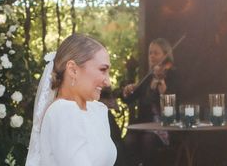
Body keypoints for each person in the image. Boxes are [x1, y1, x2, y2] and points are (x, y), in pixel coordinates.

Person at [25, 33, 116, 166]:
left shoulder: (97, 110)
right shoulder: (63, 111)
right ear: (73, 70)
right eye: (102, 70)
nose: (108, 82)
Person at [121, 38, 179, 166]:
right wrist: (127, 90)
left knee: (148, 140)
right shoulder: (148, 78)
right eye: (150, 53)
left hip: (165, 126)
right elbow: (129, 99)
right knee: (129, 140)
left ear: (166, 56)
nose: (152, 56)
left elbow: (175, 105)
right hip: (145, 125)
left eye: (156, 53)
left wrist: (164, 90)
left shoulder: (174, 76)